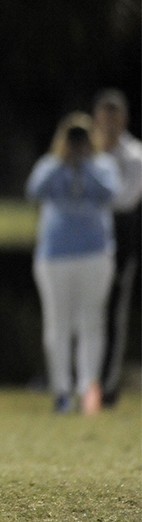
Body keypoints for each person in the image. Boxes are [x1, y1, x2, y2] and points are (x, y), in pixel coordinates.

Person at [27, 112, 120, 414]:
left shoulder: (102, 165)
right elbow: (34, 190)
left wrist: (86, 163)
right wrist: (63, 160)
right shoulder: (50, 165)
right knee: (58, 323)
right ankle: (62, 390)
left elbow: (110, 193)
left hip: (94, 254)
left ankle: (87, 387)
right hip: (55, 255)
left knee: (91, 321)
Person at [92, 89, 142, 408]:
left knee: (112, 313)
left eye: (115, 115)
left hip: (120, 241)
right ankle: (81, 382)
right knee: (82, 313)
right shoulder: (84, 150)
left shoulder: (135, 154)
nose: (109, 122)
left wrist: (91, 195)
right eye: (104, 115)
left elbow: (127, 199)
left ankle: (107, 388)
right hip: (85, 240)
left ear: (123, 118)